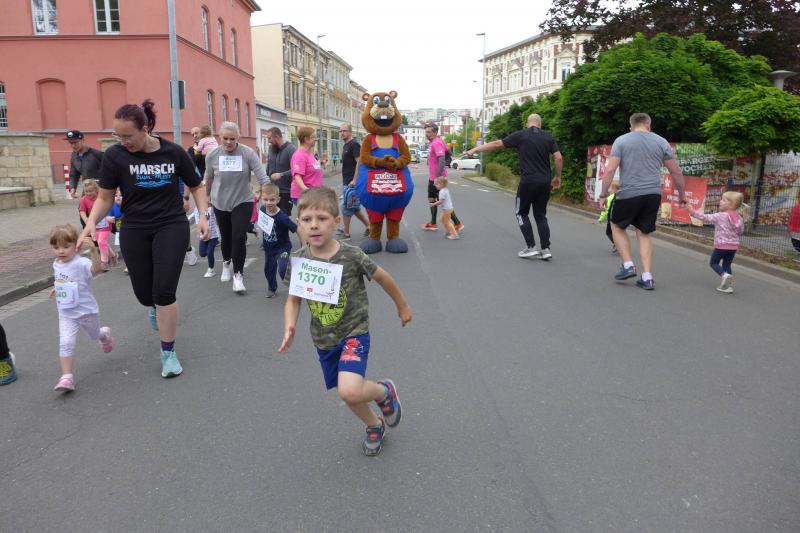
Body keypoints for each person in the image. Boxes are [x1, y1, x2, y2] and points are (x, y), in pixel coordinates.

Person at [81, 99, 210, 379]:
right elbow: (105, 197)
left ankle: (168, 352)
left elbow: (197, 186)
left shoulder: (173, 152)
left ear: (145, 128)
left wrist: (203, 215)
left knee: (164, 292)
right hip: (135, 227)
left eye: (128, 135)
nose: (123, 141)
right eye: (118, 135)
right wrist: (91, 221)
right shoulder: (115, 156)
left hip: (170, 224)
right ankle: (153, 306)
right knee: (144, 294)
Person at [279, 187, 411, 456]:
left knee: (349, 390)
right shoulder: (299, 260)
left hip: (354, 332)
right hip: (324, 339)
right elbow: (293, 300)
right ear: (299, 224)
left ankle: (383, 392)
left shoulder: (351, 255)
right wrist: (289, 325)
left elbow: (382, 276)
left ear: (336, 222)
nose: (314, 225)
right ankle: (374, 425)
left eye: (322, 218)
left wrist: (402, 305)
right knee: (348, 391)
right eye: (307, 220)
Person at [599, 113, 686, 290]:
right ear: (649, 125)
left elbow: (610, 170)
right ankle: (647, 277)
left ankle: (628, 264)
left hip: (629, 193)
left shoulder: (622, 140)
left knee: (617, 225)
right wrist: (682, 194)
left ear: (631, 126)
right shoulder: (661, 142)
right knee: (644, 232)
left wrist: (603, 194)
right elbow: (676, 172)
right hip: (653, 194)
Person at [466, 113, 561, 260]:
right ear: (540, 124)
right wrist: (557, 177)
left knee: (521, 212)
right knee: (541, 215)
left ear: (527, 124)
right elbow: (559, 158)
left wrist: (475, 150)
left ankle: (531, 247)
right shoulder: (548, 137)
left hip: (528, 181)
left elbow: (496, 144)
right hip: (545, 182)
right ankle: (546, 249)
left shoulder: (521, 135)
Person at [205, 121, 269, 294]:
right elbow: (208, 178)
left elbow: (263, 177)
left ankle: (238, 276)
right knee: (225, 237)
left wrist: (265, 194)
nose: (228, 142)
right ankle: (226, 262)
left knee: (239, 236)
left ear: (238, 138)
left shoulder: (248, 153)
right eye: (225, 138)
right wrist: (207, 197)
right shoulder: (212, 155)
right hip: (220, 201)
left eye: (232, 139)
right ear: (220, 137)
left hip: (243, 200)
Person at [49, 225, 114, 392]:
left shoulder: (81, 263)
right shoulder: (56, 263)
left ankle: (104, 335)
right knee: (66, 342)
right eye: (56, 247)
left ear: (76, 245)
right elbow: (62, 278)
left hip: (86, 311)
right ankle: (66, 377)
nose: (60, 251)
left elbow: (97, 270)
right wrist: (57, 288)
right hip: (66, 312)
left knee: (94, 335)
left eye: (65, 246)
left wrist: (93, 252)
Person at [689, 191, 746, 293]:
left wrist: (691, 211)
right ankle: (727, 286)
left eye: (723, 200)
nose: (720, 201)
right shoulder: (739, 217)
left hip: (721, 245)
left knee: (714, 263)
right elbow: (741, 231)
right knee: (727, 265)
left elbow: (705, 217)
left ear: (731, 205)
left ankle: (724, 275)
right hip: (733, 247)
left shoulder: (721, 216)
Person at [421, 124, 464, 233]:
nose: (427, 134)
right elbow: (449, 153)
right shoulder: (438, 142)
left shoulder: (436, 143)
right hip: (436, 177)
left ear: (435, 132)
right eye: (426, 132)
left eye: (429, 132)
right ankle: (436, 223)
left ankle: (456, 223)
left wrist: (438, 177)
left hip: (436, 178)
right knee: (434, 199)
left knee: (438, 200)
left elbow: (441, 159)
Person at [260, 183, 297, 297]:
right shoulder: (262, 209)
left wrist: (305, 243)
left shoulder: (282, 217)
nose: (268, 202)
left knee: (282, 268)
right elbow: (262, 223)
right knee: (268, 269)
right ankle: (272, 288)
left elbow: (295, 228)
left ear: (278, 199)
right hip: (269, 248)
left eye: (272, 200)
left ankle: (294, 287)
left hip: (283, 248)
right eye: (265, 199)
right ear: (262, 198)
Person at [336, 123, 370, 240]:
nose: (342, 133)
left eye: (344, 131)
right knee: (354, 208)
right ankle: (369, 226)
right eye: (340, 131)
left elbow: (359, 163)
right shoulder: (346, 145)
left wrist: (355, 180)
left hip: (352, 183)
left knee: (346, 207)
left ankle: (346, 234)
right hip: (347, 182)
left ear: (350, 132)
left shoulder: (354, 145)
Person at [78, 180, 113, 269]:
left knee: (101, 242)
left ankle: (104, 262)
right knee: (102, 243)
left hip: (105, 224)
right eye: (86, 191)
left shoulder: (101, 198)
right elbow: (82, 211)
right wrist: (87, 220)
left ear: (96, 189)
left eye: (90, 191)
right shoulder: (83, 199)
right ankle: (113, 255)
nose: (88, 193)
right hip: (94, 225)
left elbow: (109, 205)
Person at [265, 127, 296, 215]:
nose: (269, 141)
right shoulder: (271, 148)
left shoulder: (291, 149)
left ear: (277, 137)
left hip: (285, 192)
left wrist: (281, 174)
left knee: (282, 218)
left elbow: (296, 170)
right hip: (272, 190)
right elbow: (269, 166)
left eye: (270, 138)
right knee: (271, 217)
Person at [290, 127, 325, 205]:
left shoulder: (309, 154)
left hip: (314, 194)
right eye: (313, 137)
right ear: (306, 139)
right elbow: (297, 176)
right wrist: (306, 190)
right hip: (304, 196)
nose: (316, 139)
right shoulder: (299, 155)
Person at [66, 130, 103, 201]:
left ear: (82, 140)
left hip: (101, 191)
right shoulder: (74, 155)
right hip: (87, 191)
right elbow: (73, 175)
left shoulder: (96, 154)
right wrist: (72, 188)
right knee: (82, 207)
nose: (73, 145)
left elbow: (110, 170)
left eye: (75, 142)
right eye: (71, 143)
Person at [199, 203, 220, 278]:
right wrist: (200, 234)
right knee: (202, 254)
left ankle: (211, 269)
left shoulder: (212, 209)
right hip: (203, 235)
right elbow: (198, 223)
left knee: (209, 252)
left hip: (214, 235)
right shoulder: (197, 210)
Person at [598, 181, 620, 253]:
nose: (608, 189)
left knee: (609, 233)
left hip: (611, 219)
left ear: (614, 189)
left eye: (610, 188)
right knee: (620, 232)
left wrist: (601, 218)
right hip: (619, 219)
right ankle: (619, 244)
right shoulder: (621, 197)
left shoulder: (609, 198)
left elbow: (605, 210)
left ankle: (617, 244)